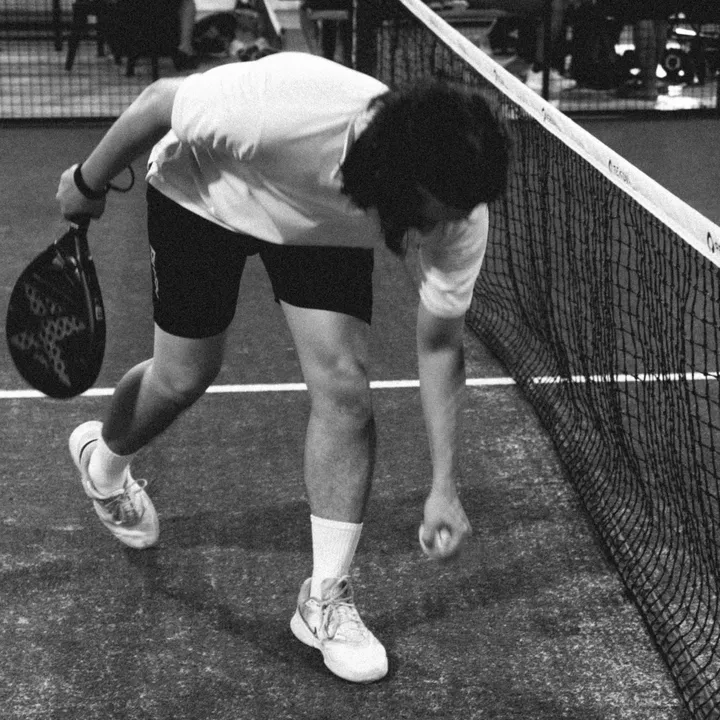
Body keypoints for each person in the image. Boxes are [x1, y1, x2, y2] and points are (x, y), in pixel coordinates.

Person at [56, 52, 509, 684]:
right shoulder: (284, 108)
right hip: (203, 197)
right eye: (434, 213)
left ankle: (324, 598)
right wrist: (87, 182)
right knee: (183, 376)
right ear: (396, 175)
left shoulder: (459, 211)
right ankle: (104, 464)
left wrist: (444, 486)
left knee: (345, 389)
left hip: (324, 231)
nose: (445, 229)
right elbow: (159, 101)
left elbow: (439, 349)